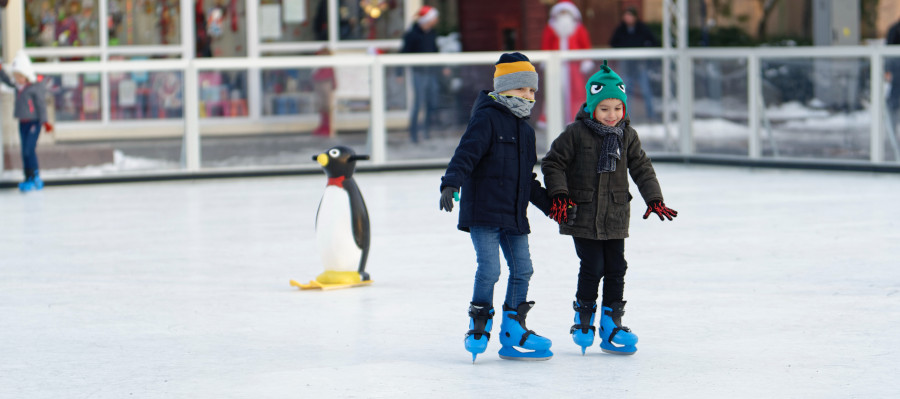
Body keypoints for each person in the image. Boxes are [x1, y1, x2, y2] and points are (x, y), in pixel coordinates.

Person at [541, 61, 677, 355]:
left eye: (617, 108)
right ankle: (584, 317)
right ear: (592, 107)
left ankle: (611, 322)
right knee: (593, 266)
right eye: (604, 108)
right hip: (583, 213)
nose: (612, 115)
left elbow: (642, 167)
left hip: (615, 213)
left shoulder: (627, 135)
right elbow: (553, 162)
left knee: (617, 267)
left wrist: (654, 198)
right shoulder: (575, 133)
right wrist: (560, 195)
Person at [439, 52, 555, 362]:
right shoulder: (486, 118)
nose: (528, 97)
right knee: (490, 269)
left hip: (513, 213)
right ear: (503, 88)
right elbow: (467, 153)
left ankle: (513, 329)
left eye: (532, 91)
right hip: (485, 212)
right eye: (521, 90)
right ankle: (479, 324)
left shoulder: (527, 132)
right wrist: (451, 182)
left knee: (523, 269)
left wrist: (551, 206)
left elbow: (526, 179)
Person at [0, 51, 53, 192]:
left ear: (26, 75)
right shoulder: (18, 87)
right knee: (24, 151)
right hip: (22, 122)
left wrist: (45, 122)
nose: (17, 79)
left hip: (34, 122)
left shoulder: (34, 88)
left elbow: (41, 105)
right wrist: (1, 71)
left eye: (20, 76)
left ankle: (35, 176)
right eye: (16, 76)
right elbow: (7, 81)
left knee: (29, 149)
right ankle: (27, 177)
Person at [540, 0, 593, 123]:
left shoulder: (579, 28)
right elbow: (546, 44)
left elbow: (585, 45)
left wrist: (586, 60)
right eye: (561, 12)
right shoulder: (551, 28)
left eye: (566, 12)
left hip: (574, 66)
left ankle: (577, 117)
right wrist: (545, 61)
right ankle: (551, 119)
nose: (564, 15)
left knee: (577, 91)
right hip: (555, 65)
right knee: (554, 90)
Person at [610, 7, 659, 121]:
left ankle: (651, 115)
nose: (627, 18)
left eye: (630, 15)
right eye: (625, 15)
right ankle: (626, 115)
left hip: (640, 65)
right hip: (627, 65)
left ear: (635, 17)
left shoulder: (642, 28)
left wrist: (646, 53)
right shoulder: (621, 29)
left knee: (646, 90)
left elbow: (654, 42)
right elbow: (613, 43)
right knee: (625, 91)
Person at [400, 6, 440, 143]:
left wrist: (442, 67)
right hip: (419, 73)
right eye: (434, 17)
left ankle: (426, 131)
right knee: (418, 103)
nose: (436, 20)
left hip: (431, 72)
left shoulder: (432, 33)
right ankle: (414, 133)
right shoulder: (412, 35)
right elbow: (403, 53)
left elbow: (435, 51)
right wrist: (399, 72)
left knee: (431, 101)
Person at [886, 17, 900, 122]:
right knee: (894, 100)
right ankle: (892, 133)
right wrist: (887, 70)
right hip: (896, 67)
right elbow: (887, 51)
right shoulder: (895, 29)